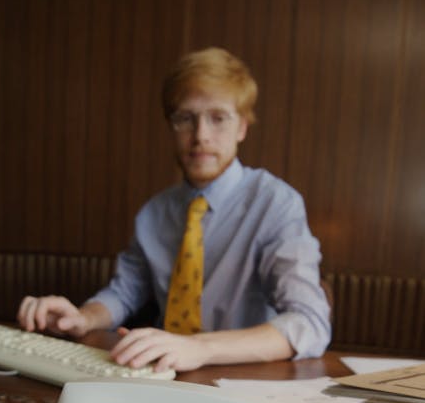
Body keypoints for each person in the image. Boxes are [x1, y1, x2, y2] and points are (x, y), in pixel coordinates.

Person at [17, 47, 331, 372]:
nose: (201, 136)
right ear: (171, 126)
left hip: (243, 380)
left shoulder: (276, 203)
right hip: (162, 374)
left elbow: (310, 323)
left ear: (242, 128)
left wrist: (199, 348)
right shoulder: (154, 213)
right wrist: (82, 318)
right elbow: (125, 293)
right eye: (185, 118)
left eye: (218, 118)